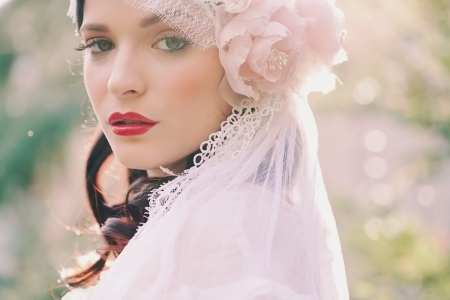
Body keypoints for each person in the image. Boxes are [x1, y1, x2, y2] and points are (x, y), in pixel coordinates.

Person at [61, 0, 349, 299]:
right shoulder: (198, 222)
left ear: (245, 61)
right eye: (99, 45)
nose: (119, 81)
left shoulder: (230, 227)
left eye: (171, 42)